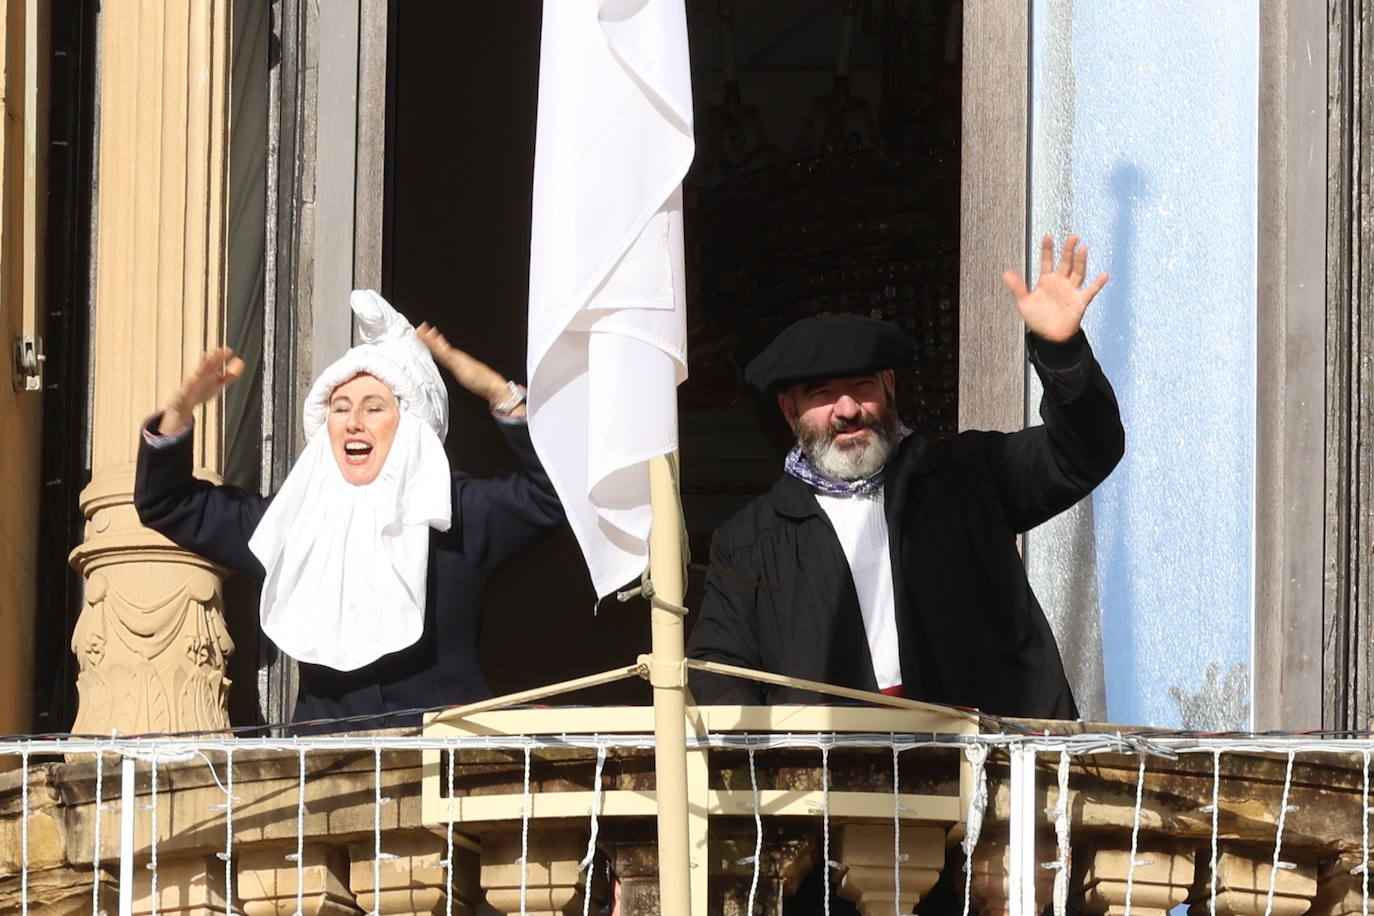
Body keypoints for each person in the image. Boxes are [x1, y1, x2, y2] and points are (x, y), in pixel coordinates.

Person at [686, 234, 1124, 720]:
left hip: (994, 756)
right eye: (822, 394)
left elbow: (1083, 453)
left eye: (862, 386)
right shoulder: (748, 542)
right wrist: (776, 754)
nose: (847, 410)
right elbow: (718, 669)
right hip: (837, 765)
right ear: (789, 411)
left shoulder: (968, 474)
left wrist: (1061, 353)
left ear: (889, 388)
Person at [135, 290, 564, 731]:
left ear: (411, 425)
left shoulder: (455, 513)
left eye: (374, 407)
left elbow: (553, 496)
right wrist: (179, 411)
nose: (354, 421)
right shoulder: (294, 522)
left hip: (441, 760)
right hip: (327, 765)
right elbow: (168, 503)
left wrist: (500, 393)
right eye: (340, 408)